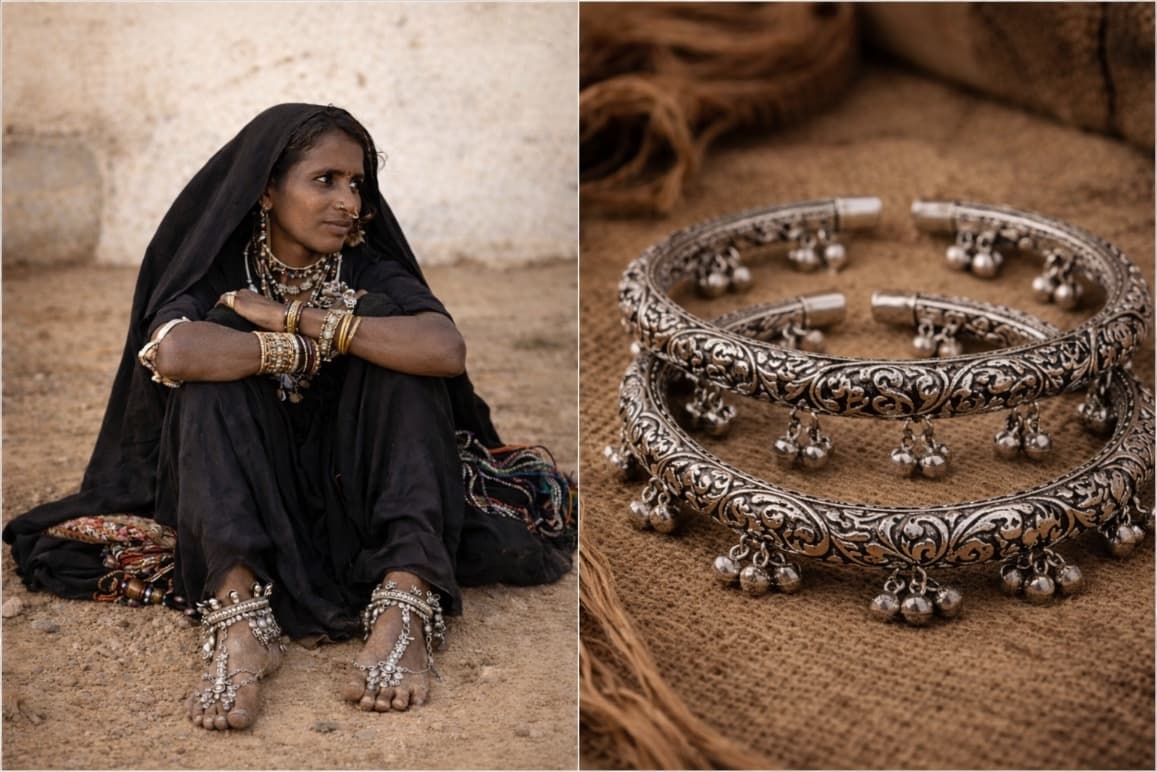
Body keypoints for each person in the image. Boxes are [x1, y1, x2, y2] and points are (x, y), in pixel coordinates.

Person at [3, 103, 575, 731]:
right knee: (211, 364)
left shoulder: (365, 268)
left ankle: (405, 603)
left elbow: (445, 349)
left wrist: (304, 320)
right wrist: (289, 351)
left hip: (358, 492)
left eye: (356, 183)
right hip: (253, 490)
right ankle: (242, 619)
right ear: (268, 190)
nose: (347, 201)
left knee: (401, 356)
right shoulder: (219, 269)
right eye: (324, 180)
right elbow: (175, 351)